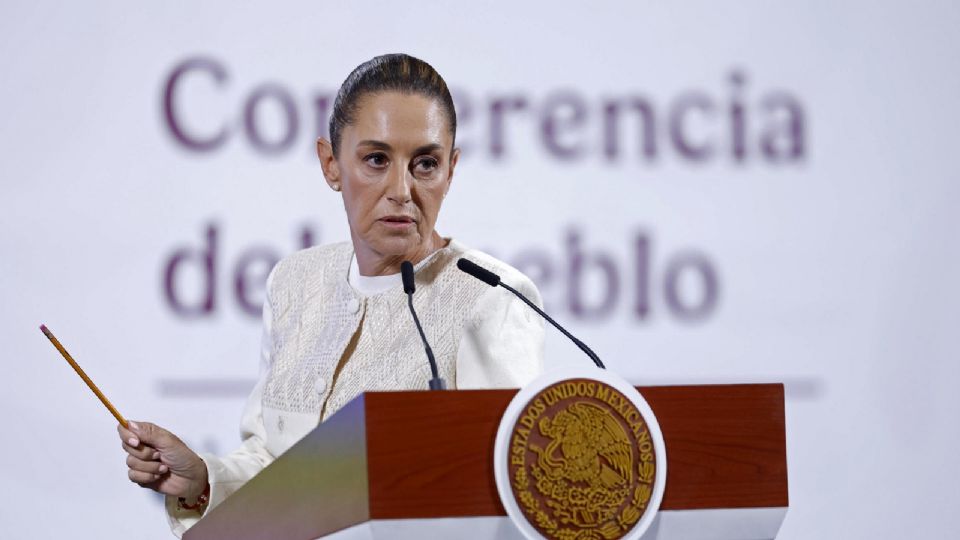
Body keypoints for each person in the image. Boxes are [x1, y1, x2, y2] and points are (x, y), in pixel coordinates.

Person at [117, 53, 545, 537]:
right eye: (376, 160)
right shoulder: (297, 283)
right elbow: (276, 462)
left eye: (425, 163)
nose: (401, 190)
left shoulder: (489, 299)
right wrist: (203, 481)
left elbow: (506, 498)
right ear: (330, 164)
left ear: (451, 169)